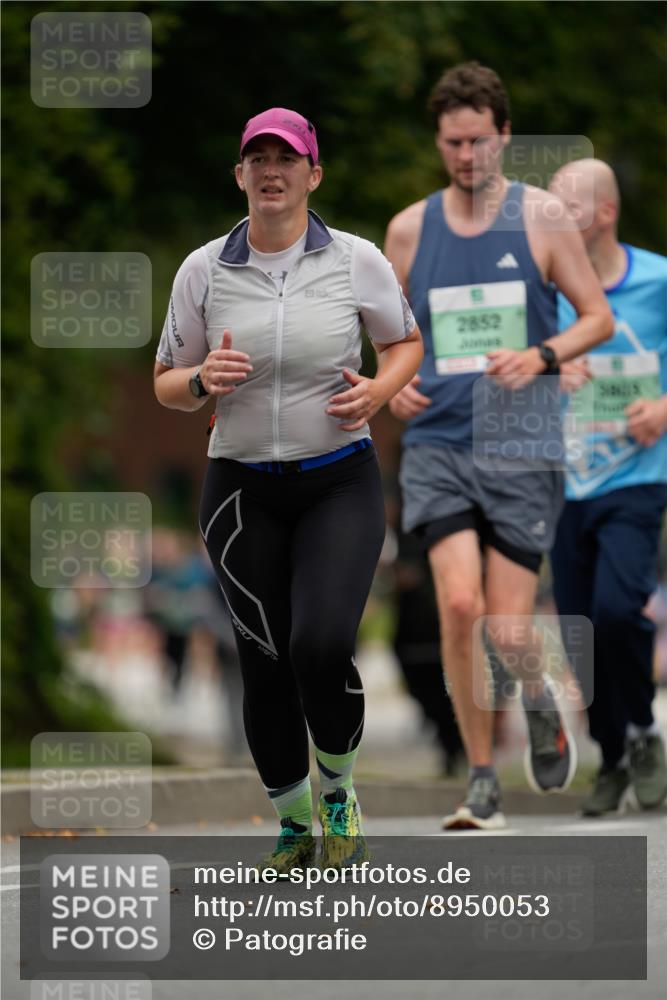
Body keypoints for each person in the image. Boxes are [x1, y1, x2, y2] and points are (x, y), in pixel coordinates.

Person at [154, 108, 423, 869]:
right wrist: (201, 379)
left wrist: (378, 392)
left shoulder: (356, 259)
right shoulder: (204, 269)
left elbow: (404, 343)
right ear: (239, 175)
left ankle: (337, 790)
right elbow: (166, 383)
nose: (272, 171)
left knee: (321, 643)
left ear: (313, 175)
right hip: (241, 492)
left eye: (287, 159)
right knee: (263, 659)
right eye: (258, 158)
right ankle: (295, 822)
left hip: (338, 480)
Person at [384, 63, 613, 829]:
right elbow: (387, 338)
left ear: (504, 136)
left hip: (521, 443)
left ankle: (540, 699)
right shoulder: (408, 230)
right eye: (453, 142)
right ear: (438, 142)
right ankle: (481, 777)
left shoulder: (541, 217)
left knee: (507, 629)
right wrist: (391, 384)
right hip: (438, 445)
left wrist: (541, 356)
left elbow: (595, 318)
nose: (466, 156)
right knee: (458, 606)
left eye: (479, 141)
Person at [549, 158, 667, 816]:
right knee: (579, 630)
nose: (553, 218)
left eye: (566, 206)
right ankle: (612, 754)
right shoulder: (546, 290)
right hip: (561, 484)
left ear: (605, 213)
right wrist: (548, 372)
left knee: (617, 610)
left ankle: (643, 729)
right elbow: (503, 370)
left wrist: (664, 409)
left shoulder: (658, 280)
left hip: (636, 478)